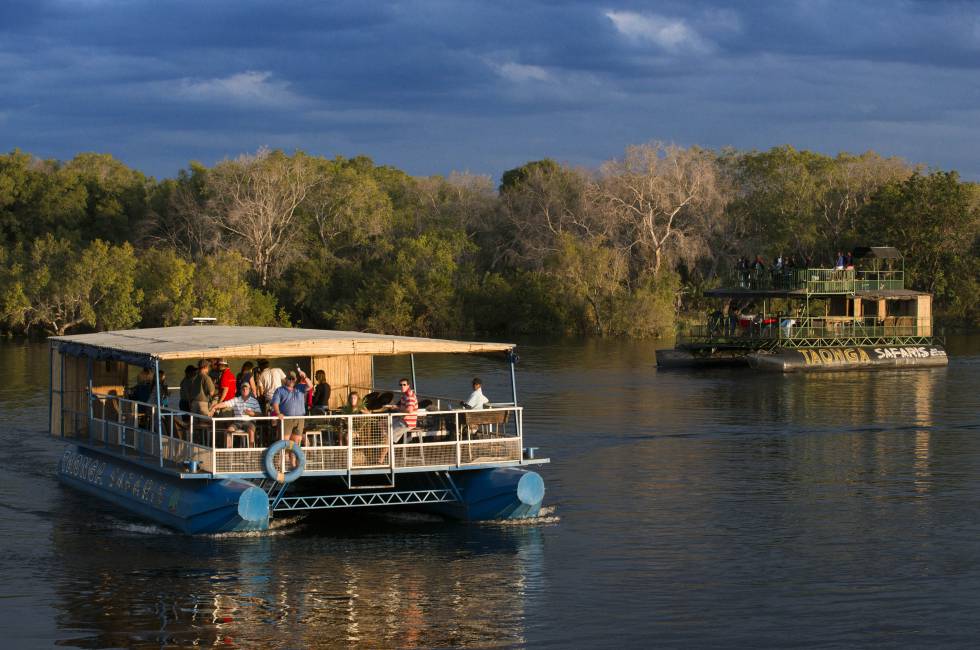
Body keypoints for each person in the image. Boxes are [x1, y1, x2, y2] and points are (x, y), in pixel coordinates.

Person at [270, 369, 311, 443]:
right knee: (284, 443)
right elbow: (275, 403)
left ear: (296, 379)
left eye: (293, 379)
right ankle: (284, 455)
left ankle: (293, 455)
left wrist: (304, 376)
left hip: (299, 419)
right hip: (286, 419)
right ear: (286, 379)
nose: (291, 380)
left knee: (295, 444)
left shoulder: (300, 387)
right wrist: (278, 413)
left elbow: (310, 386)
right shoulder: (279, 390)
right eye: (289, 378)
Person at [386, 377, 418, 443]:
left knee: (387, 436)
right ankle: (388, 450)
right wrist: (395, 407)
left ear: (408, 385)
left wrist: (396, 408)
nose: (402, 386)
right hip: (402, 419)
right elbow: (404, 408)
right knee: (383, 424)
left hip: (407, 422)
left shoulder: (409, 396)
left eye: (404, 385)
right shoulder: (405, 395)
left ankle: (385, 453)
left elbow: (409, 410)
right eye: (401, 385)